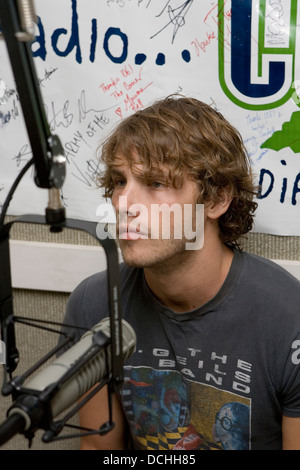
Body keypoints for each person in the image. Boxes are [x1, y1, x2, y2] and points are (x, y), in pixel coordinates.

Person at [62, 95, 300, 450]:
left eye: (155, 183)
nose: (123, 204)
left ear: (217, 199)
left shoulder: (287, 317)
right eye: (120, 182)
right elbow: (100, 448)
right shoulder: (94, 303)